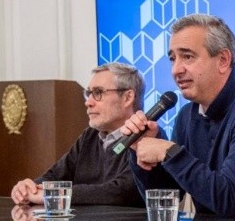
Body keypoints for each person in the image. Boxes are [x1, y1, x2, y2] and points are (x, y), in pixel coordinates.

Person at [120, 14, 235, 216]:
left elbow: (228, 200)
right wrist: (141, 152)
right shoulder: (187, 115)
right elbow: (170, 196)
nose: (176, 70)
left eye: (187, 57)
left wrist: (170, 152)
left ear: (223, 60)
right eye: (173, 58)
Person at [10, 63, 146, 207]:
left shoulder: (147, 135)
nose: (88, 102)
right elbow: (55, 176)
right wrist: (28, 188)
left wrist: (54, 194)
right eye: (88, 94)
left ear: (127, 97)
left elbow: (120, 192)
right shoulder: (90, 135)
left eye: (98, 93)